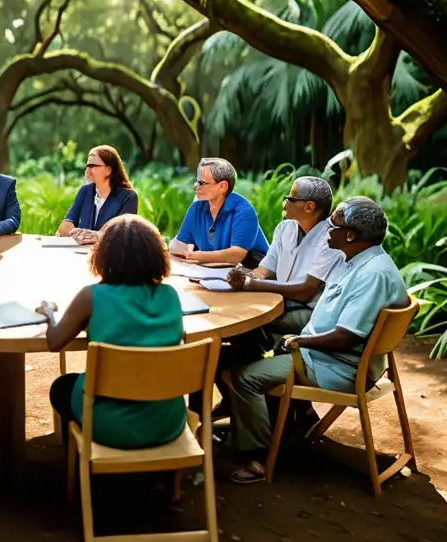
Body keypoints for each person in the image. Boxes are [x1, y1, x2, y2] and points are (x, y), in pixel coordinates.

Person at [225, 197, 409, 484]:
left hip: (336, 366)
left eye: (333, 225)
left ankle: (258, 457)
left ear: (350, 235)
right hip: (335, 358)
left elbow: (347, 336)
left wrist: (300, 342)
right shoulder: (359, 260)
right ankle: (286, 429)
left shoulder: (371, 274)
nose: (327, 231)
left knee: (243, 377)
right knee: (262, 352)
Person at [37, 216, 186, 449]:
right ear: (156, 255)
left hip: (111, 424)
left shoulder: (92, 296)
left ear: (104, 254)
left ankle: (78, 465)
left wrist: (49, 314)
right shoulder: (170, 295)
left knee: (61, 388)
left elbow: (55, 342)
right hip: (166, 420)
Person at [227, 177, 344, 336]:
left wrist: (250, 284)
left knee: (247, 317)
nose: (285, 202)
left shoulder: (331, 239)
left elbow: (306, 292)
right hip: (282, 300)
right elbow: (265, 270)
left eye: (290, 198)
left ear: (309, 207)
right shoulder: (285, 228)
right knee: (234, 305)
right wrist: (246, 275)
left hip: (312, 311)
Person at [170, 157, 268, 268]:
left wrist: (198, 256)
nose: (196, 187)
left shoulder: (244, 211)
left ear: (222, 186)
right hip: (214, 272)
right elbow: (175, 246)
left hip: (254, 274)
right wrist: (187, 248)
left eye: (202, 183)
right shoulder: (197, 207)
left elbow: (236, 256)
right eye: (197, 182)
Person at [56, 145, 138, 245]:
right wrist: (75, 232)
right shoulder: (85, 191)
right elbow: (65, 225)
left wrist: (98, 236)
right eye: (87, 166)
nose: (87, 171)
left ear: (108, 170)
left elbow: (123, 235)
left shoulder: (128, 197)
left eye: (93, 166)